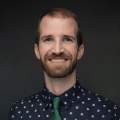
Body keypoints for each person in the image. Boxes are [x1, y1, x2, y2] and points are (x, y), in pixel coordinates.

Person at [9, 8, 120, 120]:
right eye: (48, 39)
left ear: (80, 51)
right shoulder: (19, 113)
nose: (57, 50)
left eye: (67, 39)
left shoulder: (108, 113)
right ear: (37, 51)